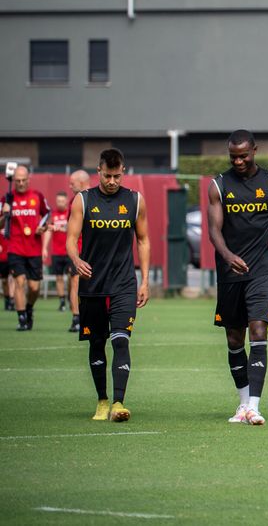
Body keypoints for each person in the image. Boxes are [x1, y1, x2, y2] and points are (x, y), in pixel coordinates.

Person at [207, 130, 268, 426]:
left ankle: (254, 405)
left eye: (244, 155)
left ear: (255, 150)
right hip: (229, 272)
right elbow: (214, 229)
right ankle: (243, 403)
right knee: (233, 337)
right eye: (233, 156)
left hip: (261, 270)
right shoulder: (219, 185)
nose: (239, 161)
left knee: (258, 330)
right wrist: (227, 256)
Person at [66, 148, 150, 422]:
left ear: (123, 172)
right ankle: (102, 400)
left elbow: (143, 240)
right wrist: (76, 258)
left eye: (116, 175)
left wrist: (145, 280)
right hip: (92, 284)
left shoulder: (135, 200)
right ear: (98, 172)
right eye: (107, 175)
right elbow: (70, 237)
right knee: (96, 343)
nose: (112, 181)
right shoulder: (83, 200)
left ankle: (118, 402)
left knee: (121, 340)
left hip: (124, 283)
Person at [0, 166, 50, 331]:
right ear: (13, 180)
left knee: (34, 287)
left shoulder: (37, 196)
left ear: (28, 179)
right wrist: (4, 214)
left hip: (34, 249)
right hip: (15, 248)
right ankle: (21, 318)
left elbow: (47, 215)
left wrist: (41, 228)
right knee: (19, 282)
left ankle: (29, 308)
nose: (20, 183)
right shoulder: (7, 199)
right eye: (17, 180)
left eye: (23, 180)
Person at [67, 170, 91, 332]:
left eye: (72, 183)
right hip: (78, 250)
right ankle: (77, 318)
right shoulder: (73, 201)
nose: (69, 186)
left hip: (94, 250)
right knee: (75, 281)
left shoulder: (95, 198)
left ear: (82, 182)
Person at [43, 191, 73, 313]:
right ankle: (62, 302)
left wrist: (61, 228)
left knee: (72, 277)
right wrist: (44, 247)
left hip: (70, 252)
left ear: (66, 201)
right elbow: (49, 231)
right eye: (58, 201)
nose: (60, 203)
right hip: (57, 252)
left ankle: (71, 298)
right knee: (59, 278)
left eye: (62, 201)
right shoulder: (53, 215)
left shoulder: (70, 213)